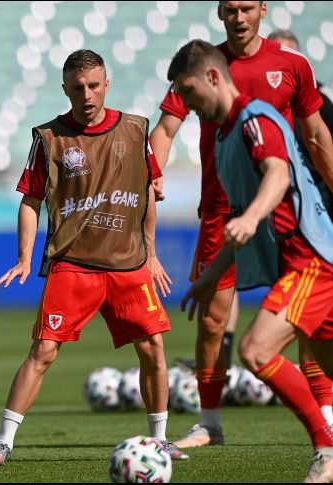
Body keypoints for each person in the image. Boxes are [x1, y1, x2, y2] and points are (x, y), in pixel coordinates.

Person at [0, 49, 187, 469]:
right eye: (78, 88)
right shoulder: (49, 138)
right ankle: (2, 442)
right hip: (73, 263)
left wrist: (151, 253)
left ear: (106, 85)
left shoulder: (135, 130)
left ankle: (160, 440)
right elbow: (30, 200)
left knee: (153, 348)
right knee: (43, 350)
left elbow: (148, 193)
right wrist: (24, 257)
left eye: (93, 86)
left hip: (128, 262)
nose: (87, 95)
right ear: (65, 89)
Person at [149, 1, 333, 448]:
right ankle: (210, 422)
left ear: (262, 10)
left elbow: (310, 141)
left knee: (297, 327)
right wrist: (152, 173)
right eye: (230, 9)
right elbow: (165, 130)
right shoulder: (201, 66)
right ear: (219, 13)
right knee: (213, 320)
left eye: (246, 7)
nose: (238, 17)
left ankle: (325, 428)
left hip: (283, 216)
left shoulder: (285, 73)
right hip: (225, 210)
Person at [268, 28, 333, 427]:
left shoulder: (322, 106)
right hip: (288, 226)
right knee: (314, 323)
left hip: (321, 223)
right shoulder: (260, 112)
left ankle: (323, 417)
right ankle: (325, 411)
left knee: (264, 345)